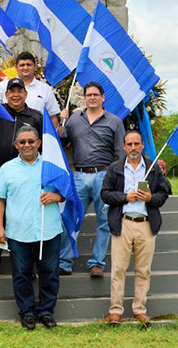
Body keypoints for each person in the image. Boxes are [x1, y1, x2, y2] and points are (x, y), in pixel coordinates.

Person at [0, 123, 64, 330]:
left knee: (50, 273)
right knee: (22, 274)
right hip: (18, 233)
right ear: (16, 144)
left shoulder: (51, 165)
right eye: (22, 142)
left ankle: (47, 312)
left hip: (48, 231)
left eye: (31, 141)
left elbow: (67, 191)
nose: (27, 145)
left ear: (39, 143)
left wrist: (56, 196)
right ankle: (27, 313)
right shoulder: (7, 169)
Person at [102, 131, 171, 326]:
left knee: (143, 270)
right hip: (122, 223)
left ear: (142, 146)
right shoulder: (115, 168)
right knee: (118, 270)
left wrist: (150, 199)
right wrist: (125, 197)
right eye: (129, 144)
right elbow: (105, 194)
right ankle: (115, 311)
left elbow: (163, 195)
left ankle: (139, 310)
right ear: (124, 146)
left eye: (137, 144)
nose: (133, 148)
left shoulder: (153, 168)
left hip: (145, 224)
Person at [58, 81, 125, 278]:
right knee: (70, 218)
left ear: (103, 98)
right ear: (84, 98)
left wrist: (117, 180)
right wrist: (60, 126)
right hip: (78, 175)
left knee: (104, 221)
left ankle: (97, 262)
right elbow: (62, 143)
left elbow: (121, 153)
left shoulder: (114, 121)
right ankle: (64, 262)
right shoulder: (74, 119)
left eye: (96, 95)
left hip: (104, 176)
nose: (92, 98)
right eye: (89, 95)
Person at [0, 78, 41, 281]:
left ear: (25, 94)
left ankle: (28, 267)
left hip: (27, 173)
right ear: (6, 95)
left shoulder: (36, 117)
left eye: (19, 91)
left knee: (25, 219)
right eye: (11, 91)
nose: (15, 95)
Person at [0, 51, 61, 131]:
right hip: (7, 134)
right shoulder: (3, 86)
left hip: (35, 139)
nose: (25, 68)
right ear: (16, 67)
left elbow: (53, 118)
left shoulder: (45, 89)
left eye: (29, 65)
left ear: (35, 67)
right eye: (22, 65)